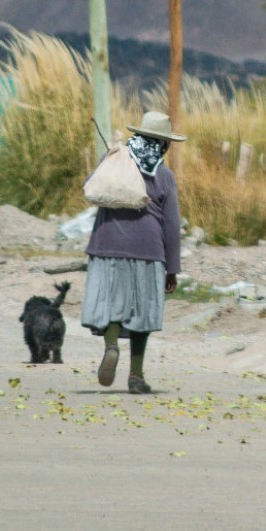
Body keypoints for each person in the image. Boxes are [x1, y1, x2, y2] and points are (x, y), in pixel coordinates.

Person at [80, 111, 185, 394]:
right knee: (142, 311)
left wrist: (110, 157)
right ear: (164, 144)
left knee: (112, 303)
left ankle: (111, 345)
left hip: (107, 242)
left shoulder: (115, 158)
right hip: (148, 249)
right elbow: (171, 224)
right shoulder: (164, 174)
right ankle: (136, 376)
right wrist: (172, 268)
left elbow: (89, 184)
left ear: (137, 135)